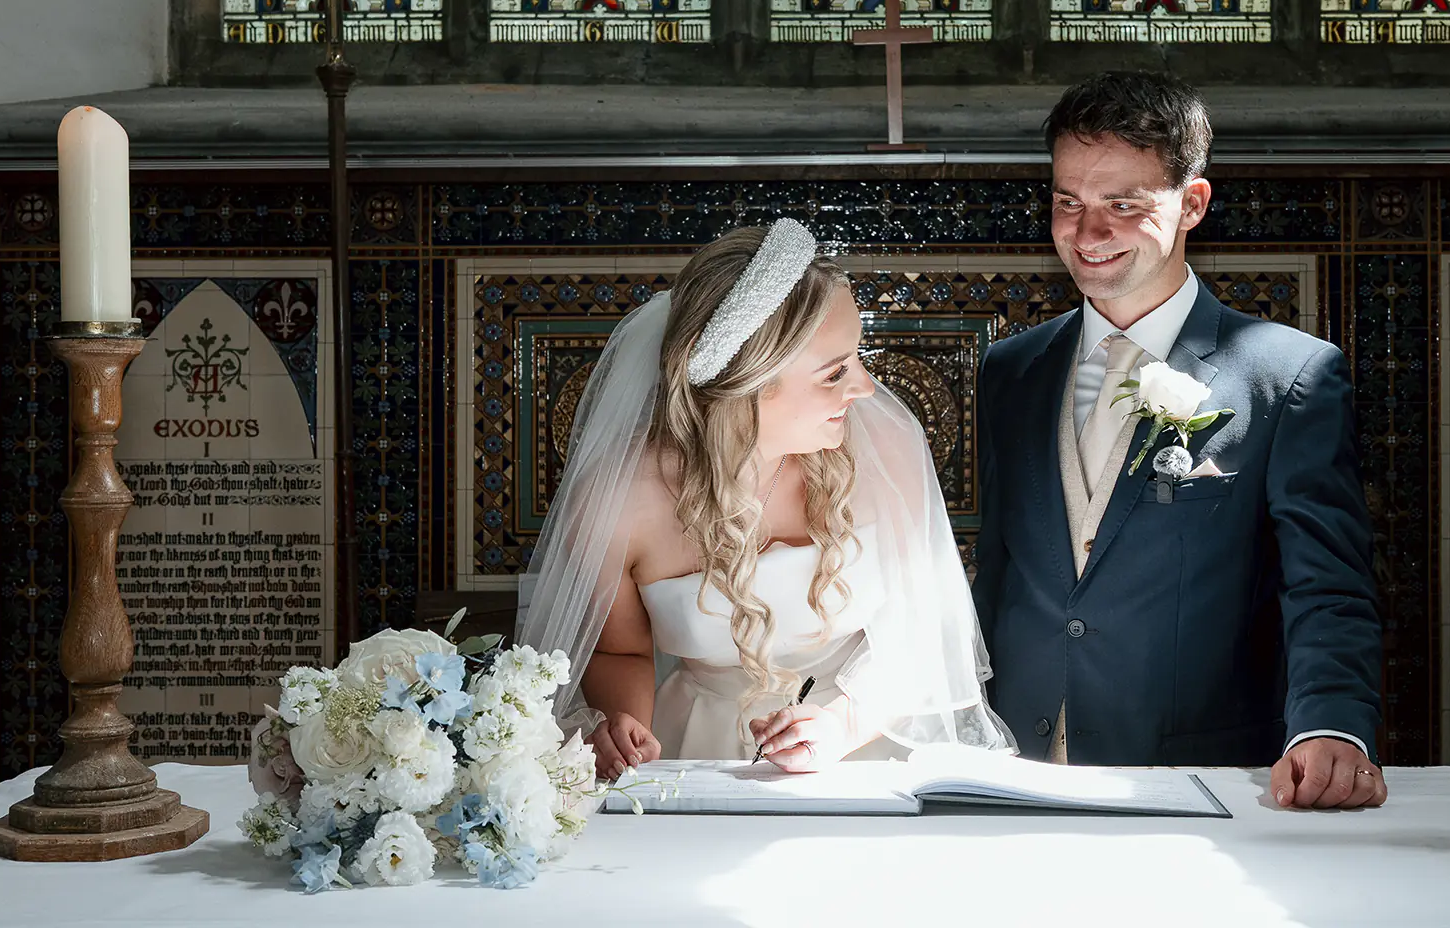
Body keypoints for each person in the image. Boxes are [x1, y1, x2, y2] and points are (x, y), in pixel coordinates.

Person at [972, 73, 1385, 809]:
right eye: (1069, 202)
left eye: (1123, 205)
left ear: (1192, 204)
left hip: (1200, 779)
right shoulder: (1012, 371)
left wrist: (1331, 726)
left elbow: (1326, 586)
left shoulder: (1289, 377)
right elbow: (1001, 578)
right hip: (1016, 765)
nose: (1087, 233)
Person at [519, 221, 1012, 776]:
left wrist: (842, 725)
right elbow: (620, 650)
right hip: (699, 751)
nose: (865, 388)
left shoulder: (886, 450)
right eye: (835, 373)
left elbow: (929, 632)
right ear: (745, 381)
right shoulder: (616, 504)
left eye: (856, 359)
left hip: (867, 747)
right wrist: (625, 726)